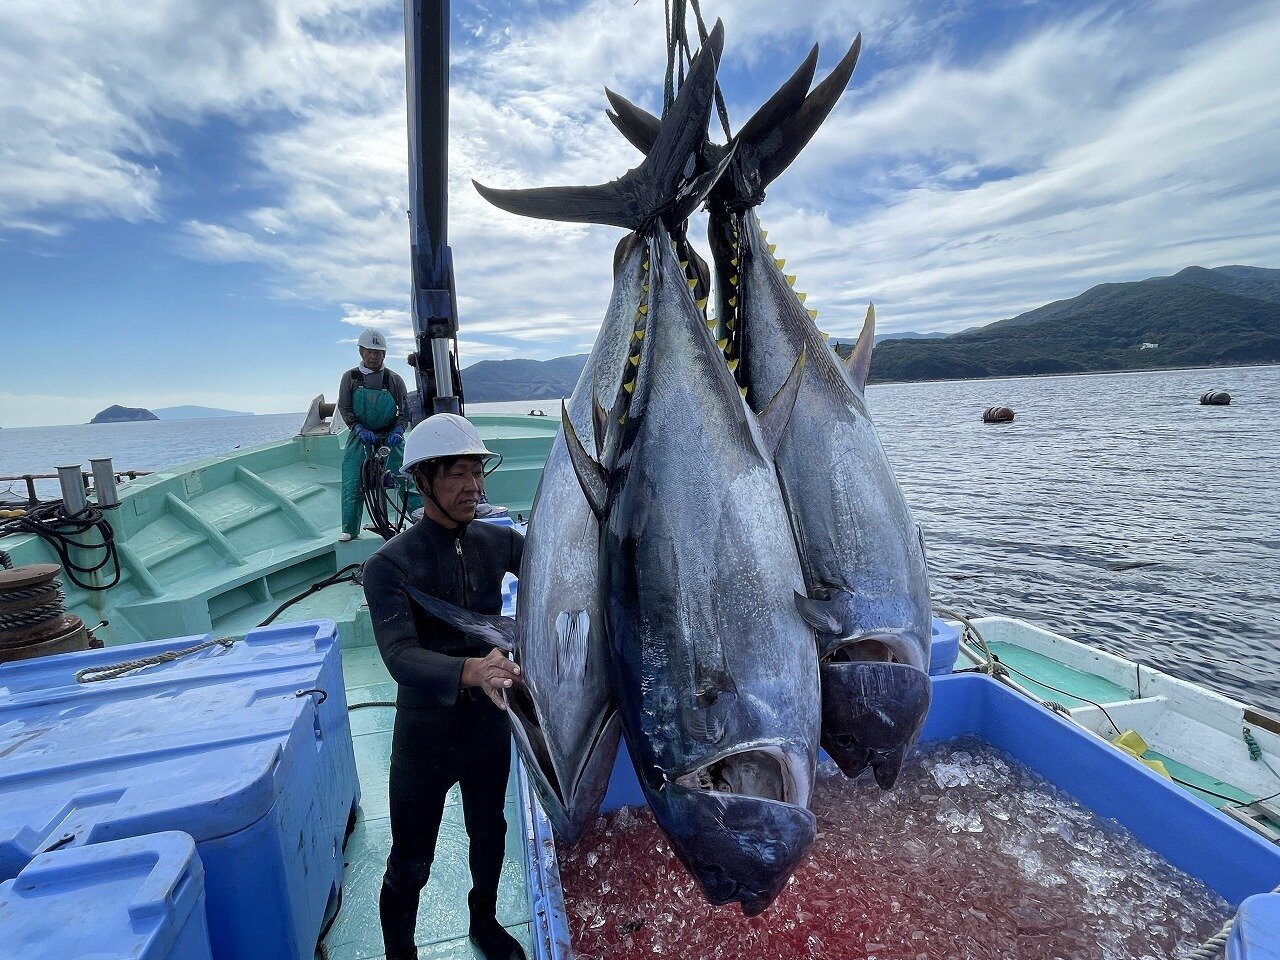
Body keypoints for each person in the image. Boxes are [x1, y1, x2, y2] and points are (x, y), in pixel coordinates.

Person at [362, 414, 526, 960]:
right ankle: (400, 952)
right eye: (457, 474)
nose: (473, 488)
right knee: (411, 858)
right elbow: (400, 656)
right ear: (422, 479)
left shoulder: (497, 542)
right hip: (425, 731)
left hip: (485, 722)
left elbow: (557, 567)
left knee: (489, 832)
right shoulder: (388, 565)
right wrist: (471, 672)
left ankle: (485, 922)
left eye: (478, 473)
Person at [337, 327, 414, 541]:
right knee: (353, 478)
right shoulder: (350, 378)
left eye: (378, 352)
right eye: (369, 351)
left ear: (384, 354)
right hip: (360, 436)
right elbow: (345, 407)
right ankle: (350, 529)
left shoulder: (394, 379)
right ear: (361, 351)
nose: (373, 356)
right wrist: (357, 428)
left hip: (390, 436)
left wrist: (399, 429)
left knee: (406, 475)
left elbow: (405, 410)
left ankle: (419, 518)